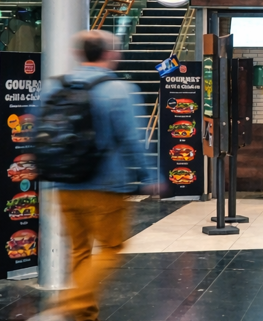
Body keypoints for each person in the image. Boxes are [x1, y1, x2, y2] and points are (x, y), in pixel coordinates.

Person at [32, 30, 158, 321]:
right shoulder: (119, 91)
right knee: (113, 247)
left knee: (79, 250)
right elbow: (131, 139)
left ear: (78, 54)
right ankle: (67, 306)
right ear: (110, 54)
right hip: (106, 185)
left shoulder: (53, 88)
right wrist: (148, 175)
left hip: (63, 184)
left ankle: (84, 316)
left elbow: (38, 131)